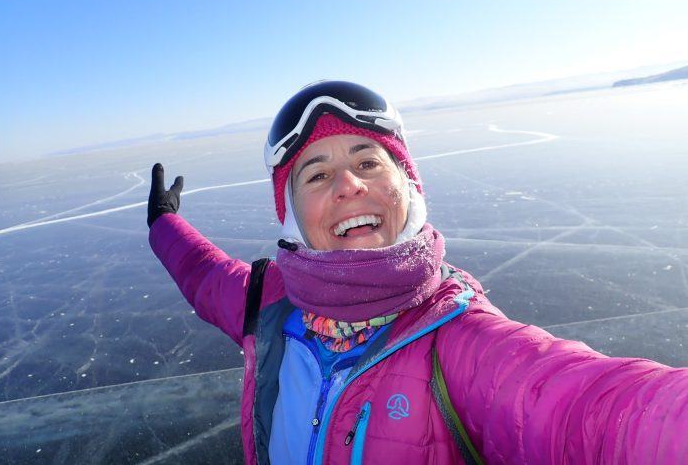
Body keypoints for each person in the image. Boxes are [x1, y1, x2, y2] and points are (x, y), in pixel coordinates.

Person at [148, 81, 688, 465]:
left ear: (408, 188)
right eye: (317, 174)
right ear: (291, 216)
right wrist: (163, 224)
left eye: (367, 163)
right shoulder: (268, 305)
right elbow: (203, 274)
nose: (348, 186)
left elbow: (594, 412)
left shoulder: (460, 342)